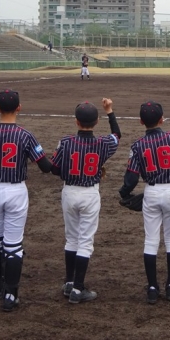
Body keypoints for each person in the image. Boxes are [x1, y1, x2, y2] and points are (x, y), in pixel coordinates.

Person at [0, 90, 53, 311]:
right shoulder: (25, 135)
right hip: (16, 192)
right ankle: (10, 295)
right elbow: (45, 167)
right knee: (13, 245)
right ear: (19, 108)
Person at [119, 101, 170, 304]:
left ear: (141, 122)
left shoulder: (138, 145)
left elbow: (131, 177)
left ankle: (152, 288)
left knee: (151, 240)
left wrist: (124, 194)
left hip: (151, 193)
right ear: (162, 119)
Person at [51, 99, 121, 304]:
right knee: (85, 242)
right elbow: (117, 134)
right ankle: (78, 289)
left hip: (69, 192)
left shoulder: (66, 142)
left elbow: (54, 168)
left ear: (76, 122)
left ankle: (69, 283)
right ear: (97, 121)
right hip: (90, 194)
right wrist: (110, 111)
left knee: (71, 239)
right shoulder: (103, 143)